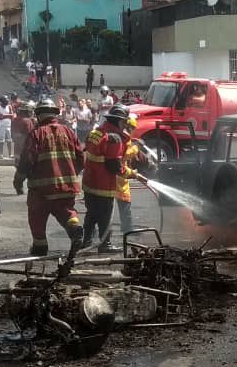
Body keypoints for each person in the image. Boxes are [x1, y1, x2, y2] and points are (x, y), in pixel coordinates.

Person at [13, 98, 84, 256]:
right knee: (66, 211)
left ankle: (40, 246)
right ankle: (75, 229)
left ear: (38, 115)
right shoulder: (69, 132)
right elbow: (81, 157)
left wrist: (18, 181)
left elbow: (27, 160)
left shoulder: (37, 133)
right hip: (66, 187)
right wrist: (71, 173)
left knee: (37, 215)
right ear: (55, 114)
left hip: (41, 190)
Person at [81, 104, 131, 253]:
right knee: (105, 216)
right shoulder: (114, 138)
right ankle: (105, 244)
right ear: (118, 121)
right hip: (103, 185)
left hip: (89, 183)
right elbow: (114, 166)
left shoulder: (95, 132)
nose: (124, 126)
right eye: (124, 123)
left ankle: (86, 242)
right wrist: (129, 172)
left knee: (91, 213)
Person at [116, 113, 147, 239]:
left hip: (120, 173)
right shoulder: (122, 137)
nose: (131, 131)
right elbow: (124, 155)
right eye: (130, 129)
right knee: (124, 201)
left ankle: (126, 227)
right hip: (119, 175)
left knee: (110, 204)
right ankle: (128, 230)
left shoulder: (121, 135)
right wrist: (136, 148)